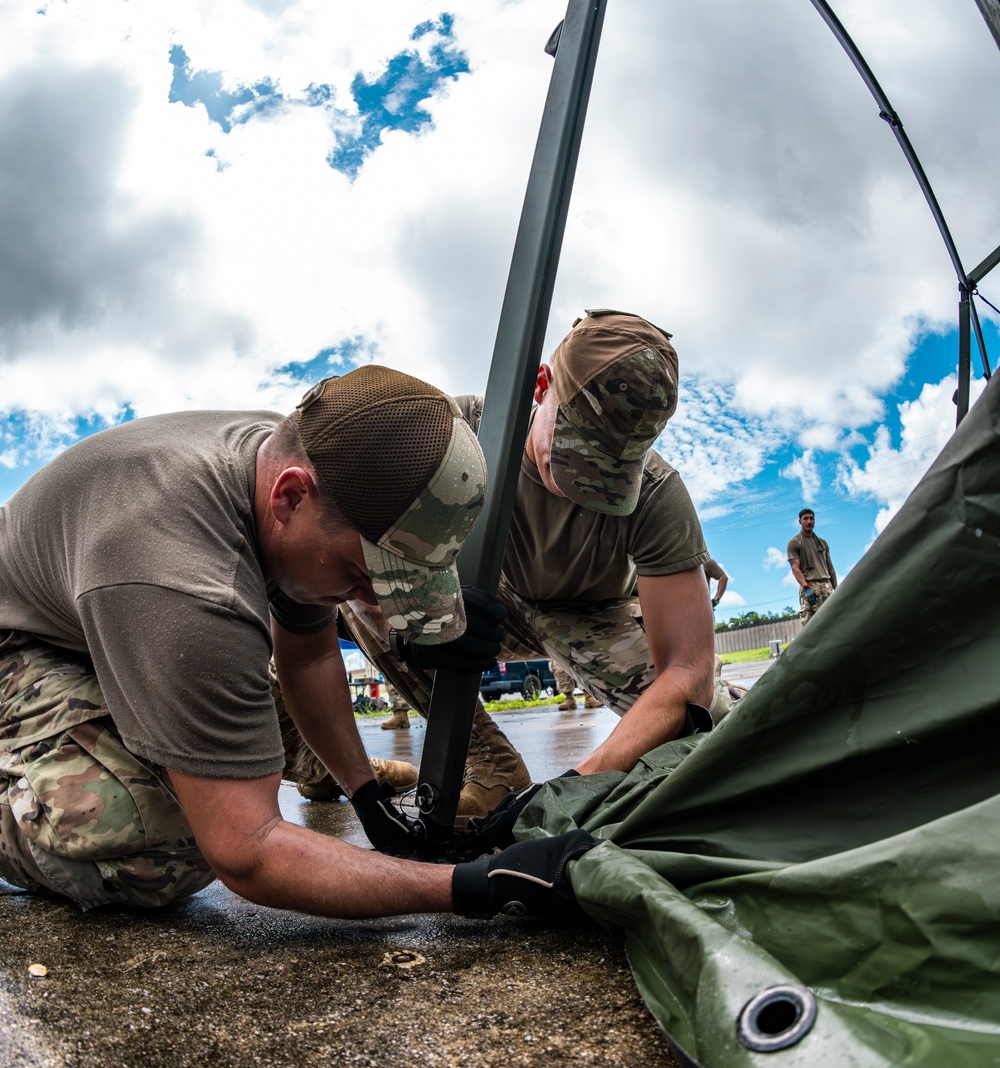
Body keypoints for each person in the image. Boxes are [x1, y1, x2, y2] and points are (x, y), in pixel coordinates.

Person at [0, 365, 601, 921]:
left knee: (236, 744)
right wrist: (472, 883)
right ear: (289, 497)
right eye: (368, 573)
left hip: (116, 620)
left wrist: (365, 797)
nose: (372, 602)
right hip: (24, 645)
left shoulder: (302, 467)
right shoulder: (190, 584)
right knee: (165, 840)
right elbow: (248, 851)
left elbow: (309, 652)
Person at [326, 310, 719, 823]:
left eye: (615, 468)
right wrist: (415, 618)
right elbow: (344, 524)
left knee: (715, 728)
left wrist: (572, 788)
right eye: (578, 452)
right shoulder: (453, 432)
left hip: (588, 614)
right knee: (355, 585)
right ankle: (488, 763)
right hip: (476, 604)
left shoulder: (659, 494)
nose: (587, 485)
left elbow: (688, 673)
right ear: (540, 386)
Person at [787, 508, 837, 625]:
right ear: (800, 521)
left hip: (826, 586)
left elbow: (831, 569)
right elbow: (795, 568)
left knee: (832, 622)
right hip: (810, 587)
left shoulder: (822, 543)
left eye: (811, 519)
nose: (809, 522)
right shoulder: (795, 543)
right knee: (811, 625)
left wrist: (836, 589)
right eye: (805, 519)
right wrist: (806, 587)